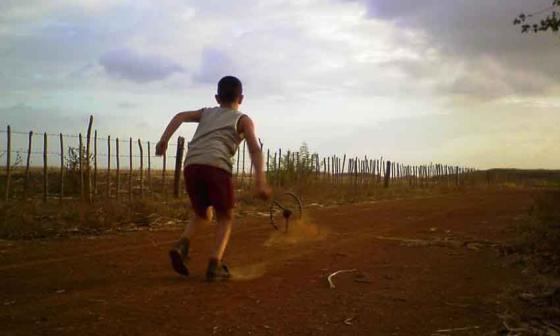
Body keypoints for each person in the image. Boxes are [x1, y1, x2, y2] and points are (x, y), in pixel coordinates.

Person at [155, 75, 271, 281]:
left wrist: (164, 140)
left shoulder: (207, 113)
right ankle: (215, 264)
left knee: (203, 213)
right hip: (216, 166)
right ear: (241, 98)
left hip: (191, 165)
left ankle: (182, 245)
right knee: (225, 217)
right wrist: (260, 180)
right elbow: (254, 148)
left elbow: (180, 116)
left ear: (217, 98)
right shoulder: (243, 120)